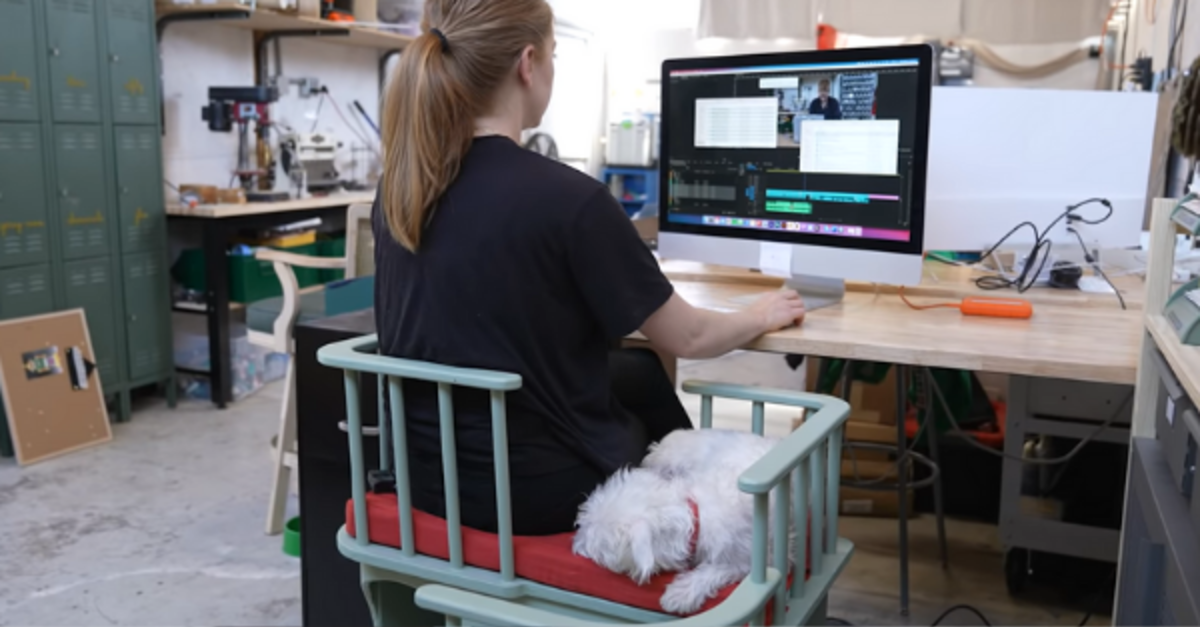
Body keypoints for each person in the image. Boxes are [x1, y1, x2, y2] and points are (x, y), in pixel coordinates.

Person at [373, 0, 807, 536]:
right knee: (645, 382)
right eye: (554, 55)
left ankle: (680, 500)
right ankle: (685, 517)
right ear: (528, 64)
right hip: (537, 496)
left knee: (640, 372)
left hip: (429, 481)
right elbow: (690, 337)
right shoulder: (570, 200)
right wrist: (763, 311)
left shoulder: (402, 191)